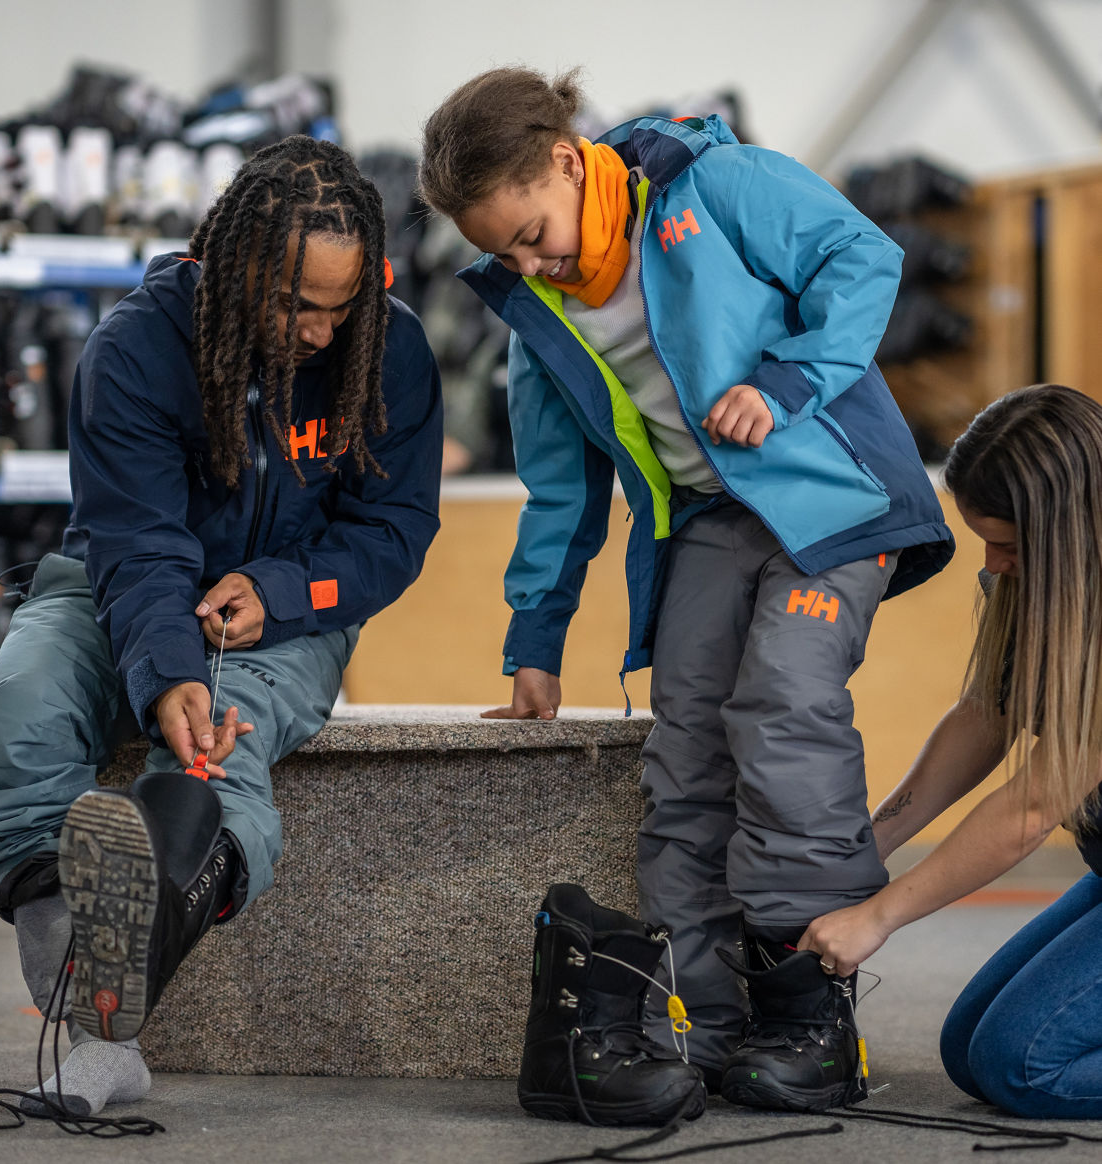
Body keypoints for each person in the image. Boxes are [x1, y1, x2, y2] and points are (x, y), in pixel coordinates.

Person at [417, 66, 953, 1117]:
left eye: (535, 232)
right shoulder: (539, 317)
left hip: (829, 501)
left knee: (784, 706)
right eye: (505, 254)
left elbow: (863, 255)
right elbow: (560, 490)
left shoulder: (722, 185)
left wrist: (789, 380)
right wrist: (534, 644)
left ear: (569, 162)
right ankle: (709, 1023)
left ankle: (812, 1011)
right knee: (687, 741)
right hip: (709, 521)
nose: (533, 264)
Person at [0, 134, 444, 1118]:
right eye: (295, 306)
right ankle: (88, 993)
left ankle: (136, 967)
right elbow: (135, 543)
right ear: (230, 268)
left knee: (211, 766)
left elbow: (395, 529)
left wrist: (285, 591)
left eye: (341, 306)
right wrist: (168, 673)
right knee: (13, 722)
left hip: (289, 617)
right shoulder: (133, 350)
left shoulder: (387, 350)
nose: (319, 332)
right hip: (111, 586)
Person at [800, 383, 1102, 1121]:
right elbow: (984, 716)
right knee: (968, 1048)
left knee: (1020, 1066)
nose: (994, 565)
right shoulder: (1043, 584)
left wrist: (876, 918)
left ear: (1069, 532)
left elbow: (1033, 806)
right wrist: (872, 844)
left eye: (1008, 545)